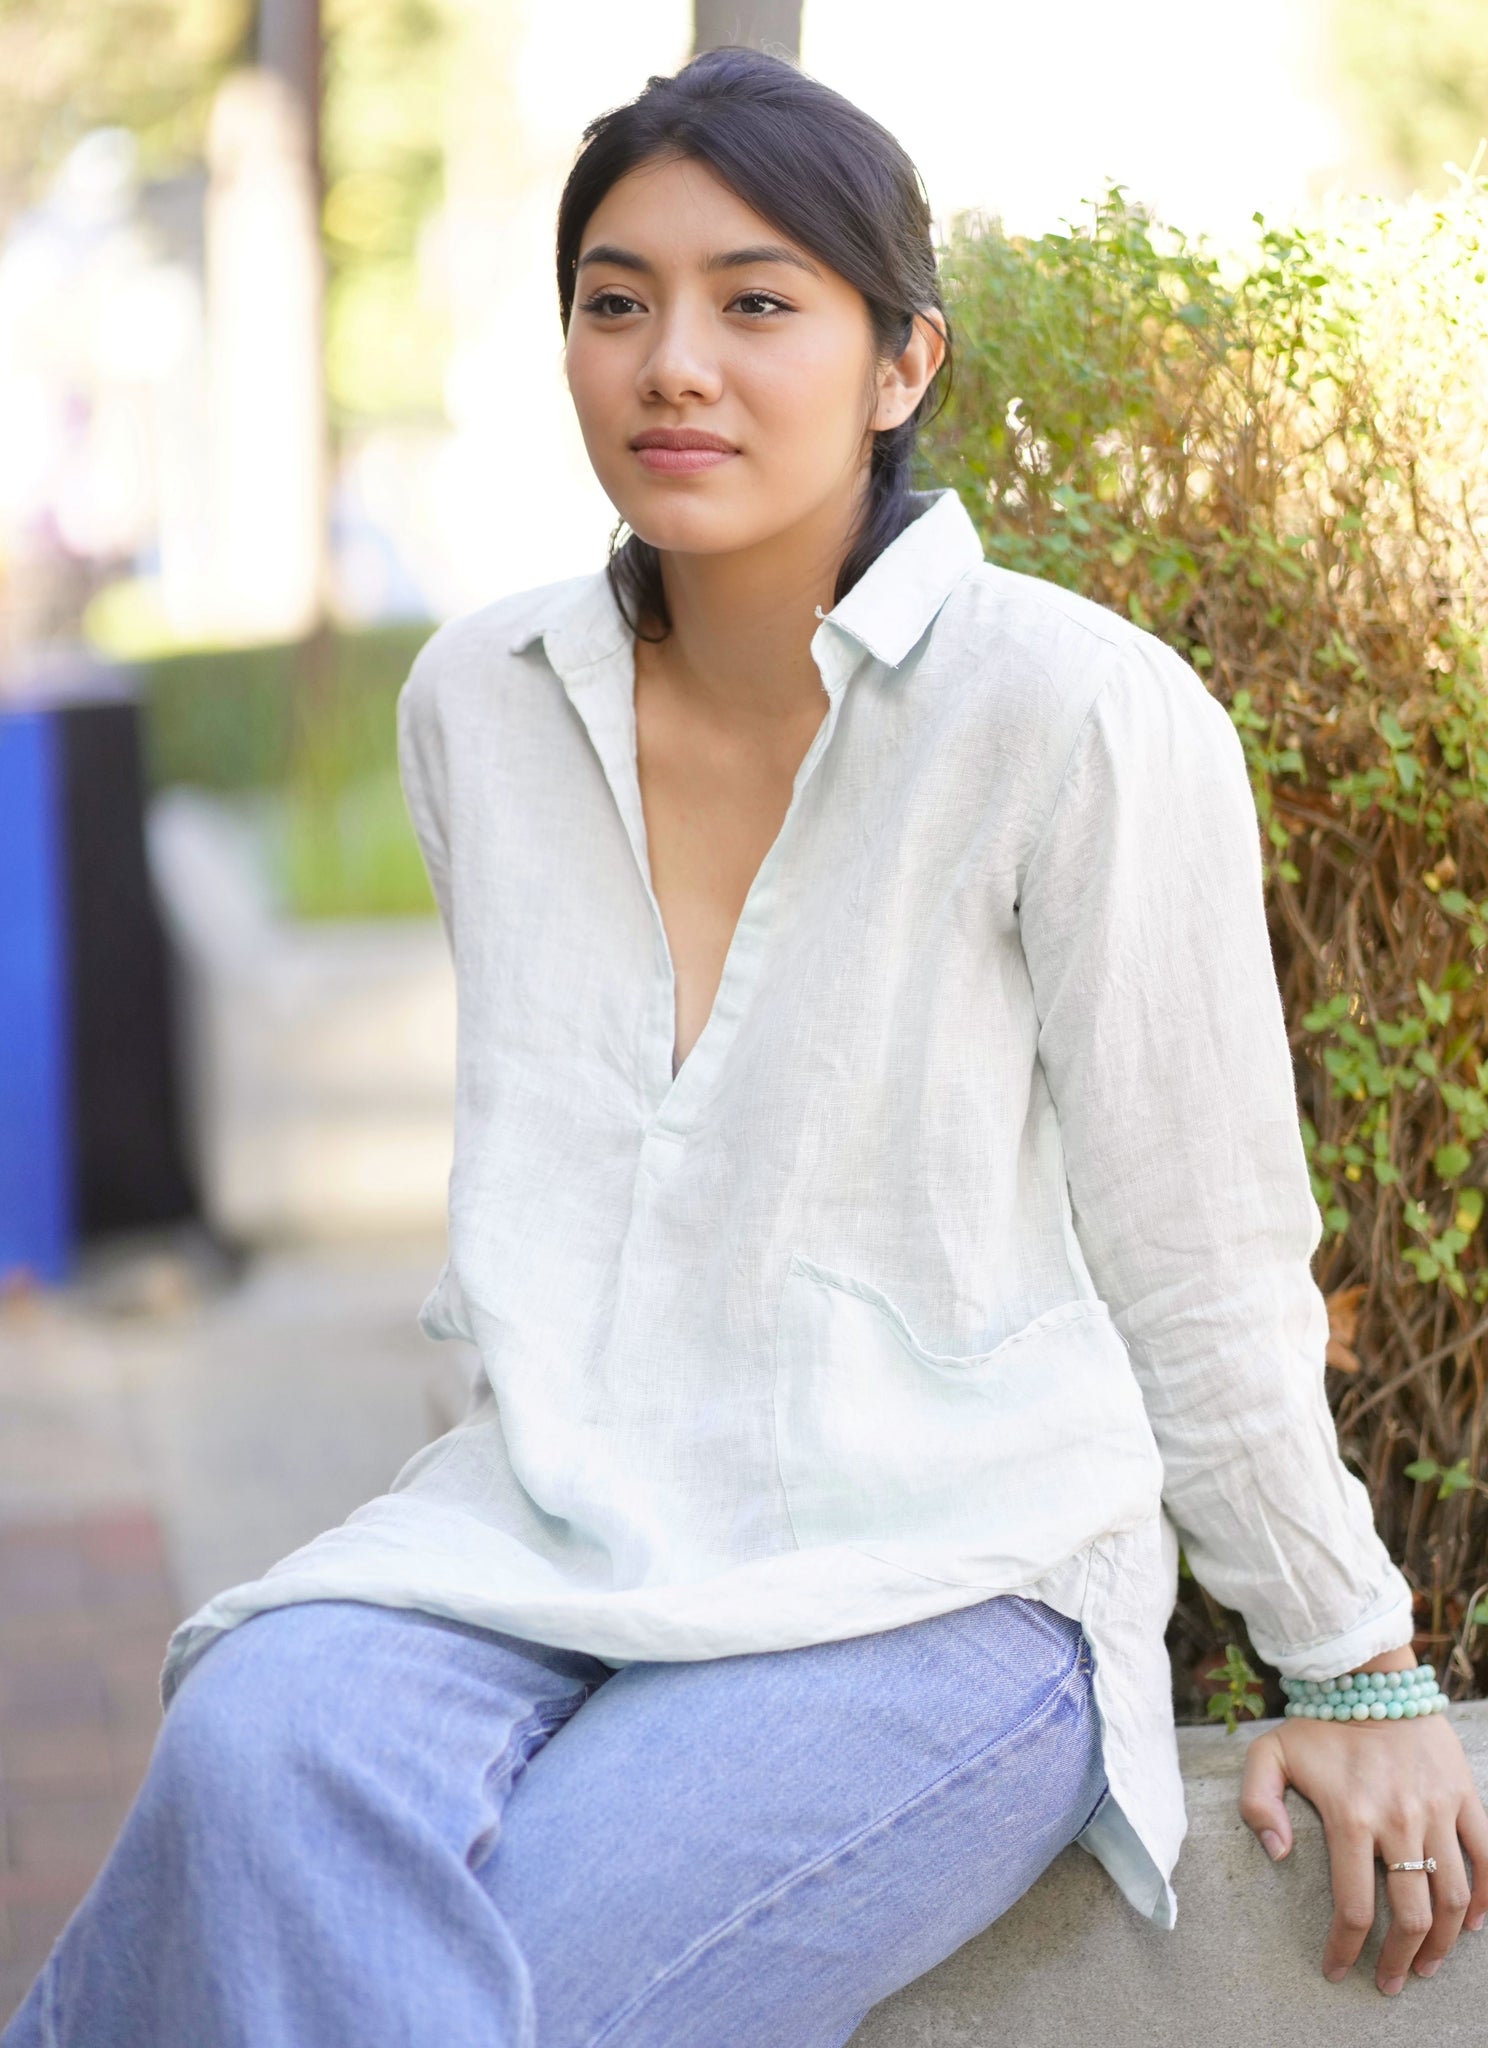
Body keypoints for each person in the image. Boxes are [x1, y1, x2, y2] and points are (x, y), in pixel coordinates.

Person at [8, 46, 1486, 2048]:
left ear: (901, 363)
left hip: (944, 1576)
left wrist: (1352, 1658)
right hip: (544, 1526)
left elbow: (1200, 1253)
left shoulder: (1079, 718)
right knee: (250, 1739)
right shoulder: (479, 704)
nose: (672, 364)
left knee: (507, 1979)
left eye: (757, 300)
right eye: (615, 301)